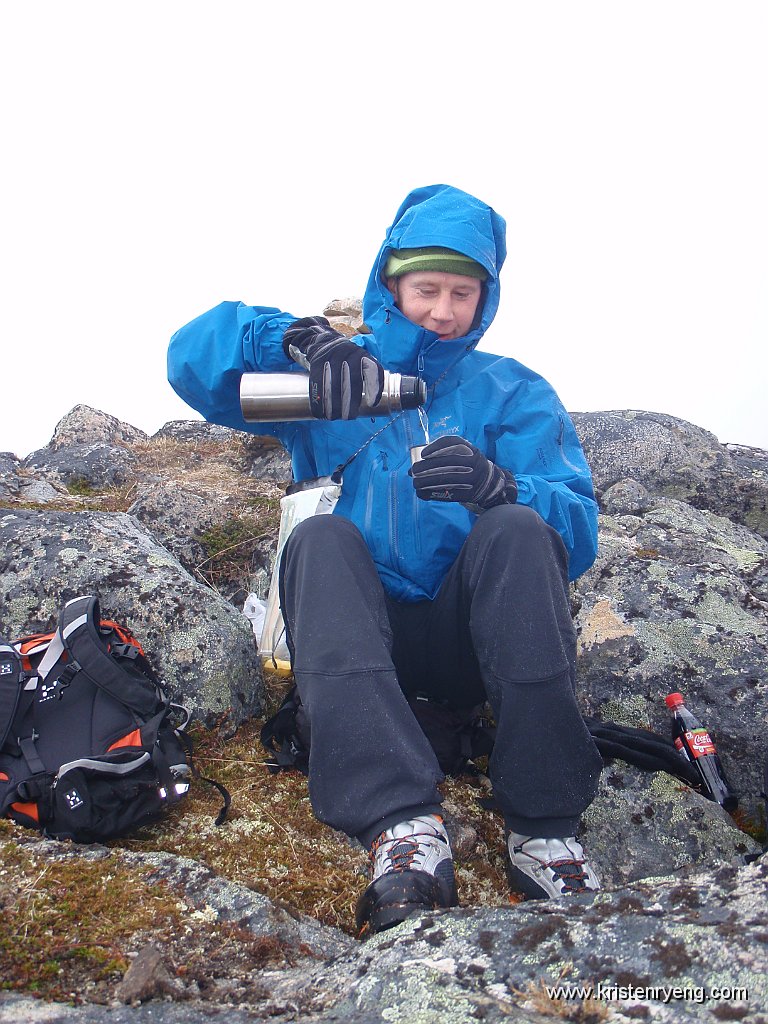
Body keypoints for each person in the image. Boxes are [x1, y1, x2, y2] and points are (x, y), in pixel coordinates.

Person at [168, 184, 604, 937]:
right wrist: (300, 340)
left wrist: (504, 486)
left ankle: (546, 827)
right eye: (426, 287)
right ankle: (401, 828)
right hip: (355, 641)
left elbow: (579, 529)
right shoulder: (337, 376)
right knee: (320, 538)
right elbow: (190, 358)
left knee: (520, 530)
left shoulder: (512, 389)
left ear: (486, 297)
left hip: (465, 645)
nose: (442, 309)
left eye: (461, 292)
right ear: (391, 282)